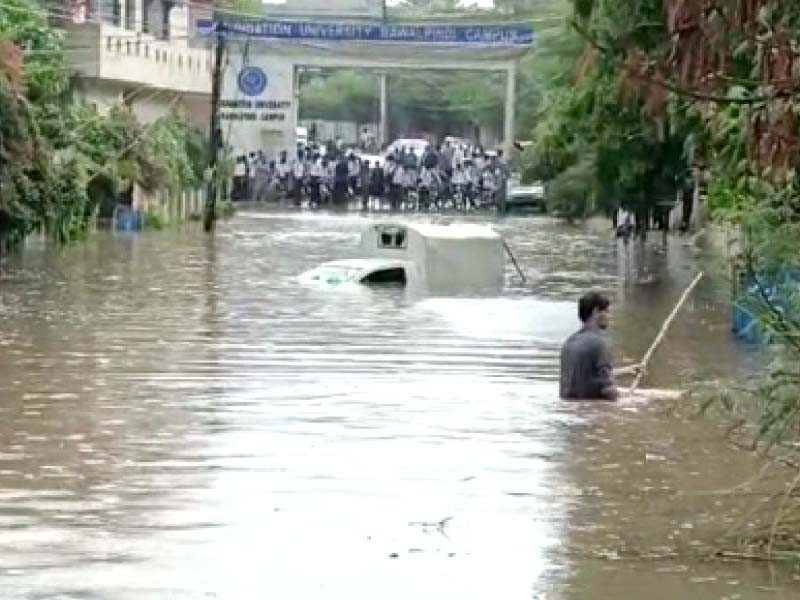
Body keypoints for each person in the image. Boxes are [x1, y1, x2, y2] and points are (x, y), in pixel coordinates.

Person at [559, 292, 640, 401]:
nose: (609, 316)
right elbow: (607, 389)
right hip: (592, 410)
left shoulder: (569, 343)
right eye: (607, 311)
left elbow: (586, 377)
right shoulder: (600, 343)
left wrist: (627, 370)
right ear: (596, 312)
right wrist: (628, 400)